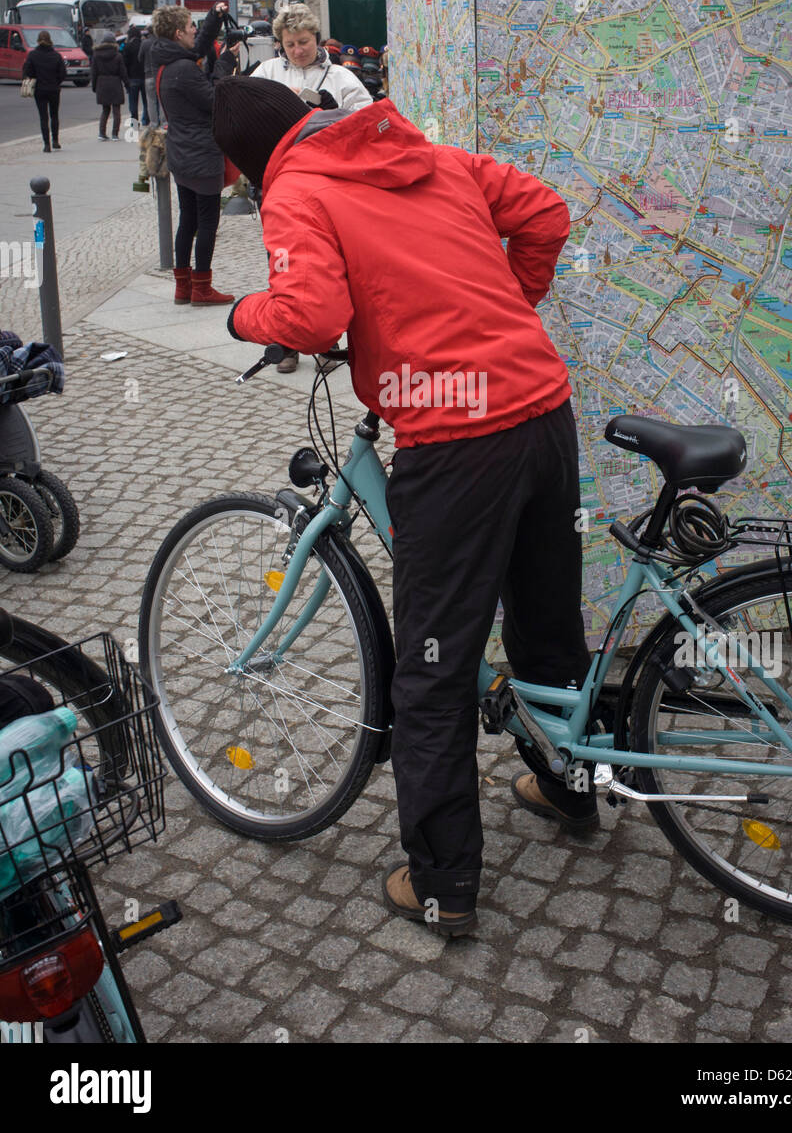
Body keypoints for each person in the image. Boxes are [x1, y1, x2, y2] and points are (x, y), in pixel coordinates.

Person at [212, 77, 594, 937]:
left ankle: (443, 886)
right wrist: (506, 308)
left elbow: (309, 315)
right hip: (542, 408)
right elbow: (544, 213)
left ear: (247, 165)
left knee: (431, 671)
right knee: (546, 620)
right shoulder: (420, 152)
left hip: (459, 443)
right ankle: (571, 788)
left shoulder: (295, 189)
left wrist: (242, 316)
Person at [253, 3, 370, 373]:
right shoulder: (267, 71)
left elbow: (367, 118)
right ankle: (285, 343)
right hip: (280, 180)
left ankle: (325, 340)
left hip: (327, 183)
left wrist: (336, 114)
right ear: (280, 44)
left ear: (316, 39)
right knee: (282, 261)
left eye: (303, 42)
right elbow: (246, 114)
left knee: (326, 261)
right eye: (289, 44)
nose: (297, 50)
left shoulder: (340, 76)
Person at [149, 2, 234, 307]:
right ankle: (202, 288)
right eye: (190, 27)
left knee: (187, 219)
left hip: (181, 153)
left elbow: (196, 48)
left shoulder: (166, 62)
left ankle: (182, 287)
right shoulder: (185, 69)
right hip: (201, 153)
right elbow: (215, 100)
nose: (194, 31)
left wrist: (214, 16)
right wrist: (225, 64)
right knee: (207, 222)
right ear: (176, 33)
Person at [22, 30, 66, 153]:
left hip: (39, 89)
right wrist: (56, 82)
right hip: (53, 89)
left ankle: (46, 144)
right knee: (54, 115)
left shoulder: (33, 55)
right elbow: (63, 74)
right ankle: (55, 141)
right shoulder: (56, 55)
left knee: (43, 117)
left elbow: (27, 72)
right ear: (50, 40)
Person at [90, 33, 129, 141]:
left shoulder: (96, 55)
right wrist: (127, 84)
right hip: (115, 83)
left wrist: (94, 86)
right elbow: (123, 72)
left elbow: (94, 73)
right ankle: (115, 134)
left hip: (101, 83)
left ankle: (102, 133)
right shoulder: (117, 55)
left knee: (105, 110)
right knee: (116, 111)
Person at [123, 26, 149, 125]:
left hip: (132, 78)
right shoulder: (143, 45)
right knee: (146, 101)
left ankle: (134, 121)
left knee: (133, 102)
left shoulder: (127, 46)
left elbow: (125, 63)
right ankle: (145, 120)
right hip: (144, 76)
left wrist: (126, 79)